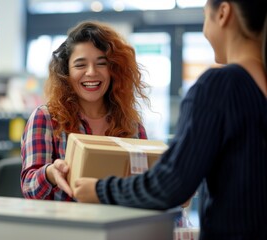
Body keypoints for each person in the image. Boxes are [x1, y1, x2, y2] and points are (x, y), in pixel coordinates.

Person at [73, 0, 267, 239]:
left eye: (205, 15)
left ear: (224, 13)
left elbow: (170, 183)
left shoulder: (219, 86)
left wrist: (98, 189)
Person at [20, 21, 150, 201]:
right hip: (67, 226)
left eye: (101, 64)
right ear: (66, 72)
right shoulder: (46, 118)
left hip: (117, 226)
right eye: (80, 65)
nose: (91, 72)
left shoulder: (132, 126)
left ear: (114, 70)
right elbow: (29, 188)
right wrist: (50, 173)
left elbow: (145, 184)